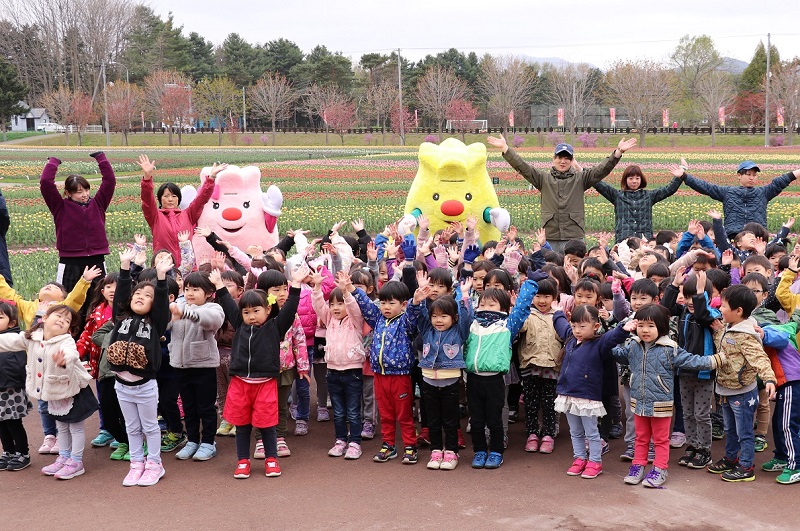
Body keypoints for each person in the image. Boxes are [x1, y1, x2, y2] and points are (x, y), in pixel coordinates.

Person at [211, 263, 308, 479]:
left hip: (265, 383)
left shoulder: (276, 326)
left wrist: (297, 285)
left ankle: (271, 459)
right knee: (243, 424)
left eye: (256, 311)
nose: (251, 315)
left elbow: (291, 308)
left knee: (267, 425)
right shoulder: (240, 324)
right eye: (246, 312)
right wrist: (219, 285)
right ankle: (243, 461)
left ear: (267, 309)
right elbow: (228, 304)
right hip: (240, 383)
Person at [612, 304, 724, 488]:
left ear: (661, 327)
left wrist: (716, 360)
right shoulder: (633, 346)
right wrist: (617, 333)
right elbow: (615, 353)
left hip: (660, 404)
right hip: (639, 402)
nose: (645, 330)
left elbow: (692, 360)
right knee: (640, 438)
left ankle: (660, 468)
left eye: (650, 325)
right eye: (641, 325)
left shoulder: (669, 348)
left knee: (661, 439)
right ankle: (638, 465)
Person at [487, 135, 637, 253]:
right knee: (551, 274)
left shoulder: (581, 179)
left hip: (573, 236)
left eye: (567, 158)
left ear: (572, 161)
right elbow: (523, 167)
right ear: (554, 159)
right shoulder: (543, 179)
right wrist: (506, 149)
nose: (563, 161)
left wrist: (617, 153)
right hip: (550, 236)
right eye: (559, 157)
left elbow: (601, 170)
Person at [0, 304, 96, 480]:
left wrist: (63, 359)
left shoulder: (66, 341)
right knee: (61, 426)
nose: (62, 320)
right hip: (52, 391)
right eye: (58, 315)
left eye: (67, 321)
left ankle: (76, 462)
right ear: (44, 318)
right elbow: (9, 341)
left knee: (74, 427)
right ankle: (64, 457)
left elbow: (71, 353)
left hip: (71, 391)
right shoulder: (32, 337)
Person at [106, 249, 172, 486]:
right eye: (138, 293)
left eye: (148, 295)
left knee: (150, 427)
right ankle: (136, 464)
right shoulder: (121, 317)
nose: (141, 296)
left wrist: (162, 279)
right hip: (121, 385)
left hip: (144, 386)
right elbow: (122, 294)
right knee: (132, 428)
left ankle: (155, 464)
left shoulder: (156, 323)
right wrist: (125, 267)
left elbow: (162, 303)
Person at [465, 273, 539, 470]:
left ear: (503, 308)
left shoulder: (506, 325)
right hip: (473, 379)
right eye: (483, 304)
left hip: (495, 381)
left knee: (495, 419)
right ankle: (480, 451)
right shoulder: (473, 324)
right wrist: (463, 295)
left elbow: (522, 310)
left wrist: (529, 283)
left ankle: (496, 451)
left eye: (492, 305)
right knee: (478, 420)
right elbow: (461, 314)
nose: (486, 308)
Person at [553, 304, 635, 479]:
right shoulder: (570, 338)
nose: (577, 330)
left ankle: (595, 461)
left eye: (582, 326)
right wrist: (558, 311)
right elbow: (561, 325)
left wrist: (623, 329)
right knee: (575, 431)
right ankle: (580, 458)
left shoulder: (599, 343)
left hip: (587, 396)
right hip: (568, 394)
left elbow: (612, 337)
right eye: (574, 326)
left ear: (595, 326)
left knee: (591, 432)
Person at [351, 276, 425, 465]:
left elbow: (412, 317)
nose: (386, 307)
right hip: (380, 375)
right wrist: (352, 289)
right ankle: (388, 445)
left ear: (403, 304)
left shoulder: (404, 322)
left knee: (404, 414)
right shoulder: (378, 320)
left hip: (400, 376)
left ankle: (410, 446)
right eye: (383, 302)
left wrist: (416, 303)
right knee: (385, 413)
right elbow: (367, 305)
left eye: (391, 303)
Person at [707, 285, 777, 482]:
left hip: (742, 392)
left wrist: (769, 378)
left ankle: (746, 466)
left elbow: (759, 358)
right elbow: (728, 345)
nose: (720, 309)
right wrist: (719, 332)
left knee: (744, 432)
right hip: (726, 390)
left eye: (724, 306)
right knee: (730, 429)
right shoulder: (730, 327)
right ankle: (731, 458)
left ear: (738, 311)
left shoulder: (746, 335)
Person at [660, 269, 719, 469]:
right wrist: (674, 286)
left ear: (707, 297)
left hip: (703, 372)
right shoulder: (684, 311)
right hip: (684, 371)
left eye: (696, 296)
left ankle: (704, 450)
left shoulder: (712, 314)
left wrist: (700, 293)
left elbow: (703, 316)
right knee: (687, 413)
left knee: (701, 414)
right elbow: (664, 309)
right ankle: (692, 445)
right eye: (687, 296)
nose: (691, 301)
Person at [40, 152, 116, 294]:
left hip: (96, 259)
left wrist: (101, 158)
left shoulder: (98, 204)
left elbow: (110, 181)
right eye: (79, 192)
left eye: (86, 190)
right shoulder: (60, 207)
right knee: (68, 300)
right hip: (70, 261)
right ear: (68, 193)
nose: (85, 195)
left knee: (98, 300)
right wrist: (53, 162)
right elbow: (45, 183)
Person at [169, 272, 225, 462]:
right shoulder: (179, 306)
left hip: (204, 366)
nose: (190, 293)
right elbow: (165, 325)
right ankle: (193, 440)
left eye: (195, 289)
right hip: (180, 365)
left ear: (209, 292)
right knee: (189, 406)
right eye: (186, 289)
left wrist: (184, 312)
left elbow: (211, 321)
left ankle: (209, 442)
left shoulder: (214, 308)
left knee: (206, 407)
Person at [417, 278, 473, 470]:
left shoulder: (459, 332)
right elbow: (420, 315)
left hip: (449, 383)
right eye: (435, 316)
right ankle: (435, 451)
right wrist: (420, 297)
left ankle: (451, 452)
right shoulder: (427, 330)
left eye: (443, 316)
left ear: (453, 318)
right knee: (433, 420)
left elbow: (466, 318)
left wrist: (463, 295)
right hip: (428, 381)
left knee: (450, 420)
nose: (438, 320)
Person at [312, 271, 366, 460]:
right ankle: (340, 440)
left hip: (353, 371)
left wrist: (346, 292)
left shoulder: (355, 321)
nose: (335, 307)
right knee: (339, 411)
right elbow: (318, 305)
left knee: (352, 410)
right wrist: (317, 288)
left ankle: (355, 443)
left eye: (340, 303)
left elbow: (354, 308)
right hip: (333, 371)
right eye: (332, 303)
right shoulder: (329, 320)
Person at [137, 154, 227, 265]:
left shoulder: (188, 215)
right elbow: (147, 200)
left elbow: (201, 199)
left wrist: (211, 178)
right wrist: (147, 177)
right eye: (166, 196)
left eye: (174, 196)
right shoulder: (155, 217)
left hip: (187, 267)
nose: (170, 199)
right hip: (163, 266)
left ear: (179, 199)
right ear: (160, 199)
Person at [682, 160, 800, 239]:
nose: (752, 178)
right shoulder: (728, 192)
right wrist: (684, 176)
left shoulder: (763, 193)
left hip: (757, 236)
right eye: (748, 174)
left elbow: (781, 181)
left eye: (754, 175)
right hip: (733, 235)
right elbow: (705, 187)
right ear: (739, 175)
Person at [518, 278, 561, 454]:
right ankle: (532, 434)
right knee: (531, 403)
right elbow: (519, 328)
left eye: (546, 296)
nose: (542, 301)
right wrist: (519, 307)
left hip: (552, 366)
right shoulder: (527, 314)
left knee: (550, 403)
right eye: (537, 296)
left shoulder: (559, 316)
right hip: (530, 365)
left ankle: (549, 435)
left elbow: (564, 335)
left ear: (554, 297)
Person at [76, 272, 118, 448]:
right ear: (102, 291)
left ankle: (120, 431)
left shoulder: (127, 310)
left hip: (120, 365)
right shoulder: (97, 312)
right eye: (108, 286)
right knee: (104, 399)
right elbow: (87, 336)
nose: (112, 290)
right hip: (101, 365)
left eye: (117, 286)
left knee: (120, 400)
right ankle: (106, 429)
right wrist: (76, 353)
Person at [593, 163, 685, 241]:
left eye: (637, 178)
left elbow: (669, 189)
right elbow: (599, 185)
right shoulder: (618, 196)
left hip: (644, 240)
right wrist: (582, 170)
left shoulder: (648, 196)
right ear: (625, 180)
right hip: (624, 240)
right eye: (631, 178)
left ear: (641, 180)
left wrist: (681, 173)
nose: (634, 181)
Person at [0, 302, 31, 471]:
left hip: (12, 388)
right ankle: (8, 452)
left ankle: (23, 453)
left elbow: (18, 366)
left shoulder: (16, 339)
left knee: (13, 422)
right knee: (1, 423)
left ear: (12, 322)